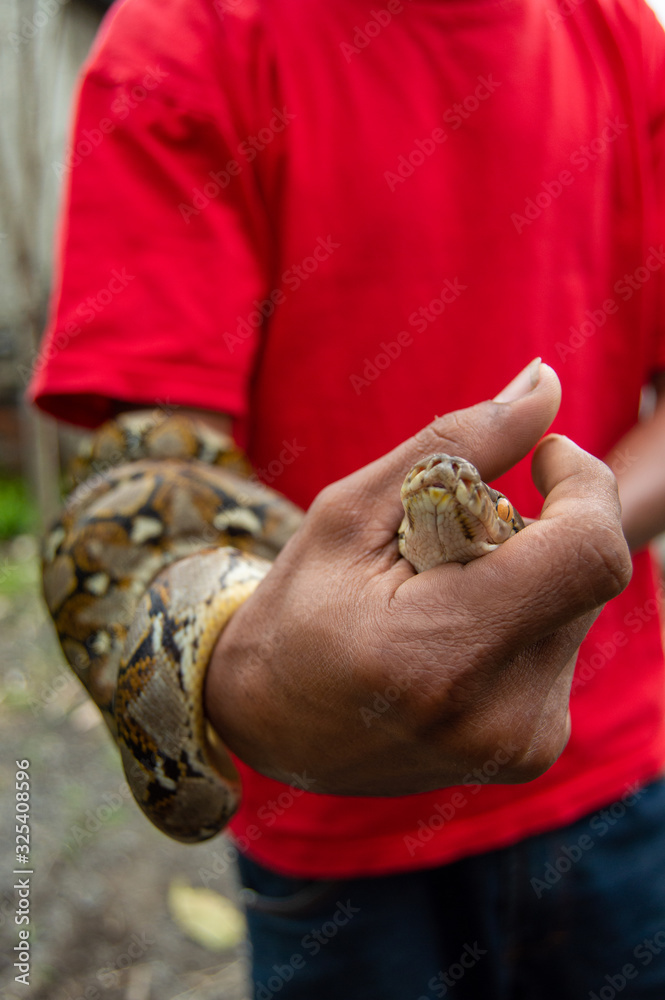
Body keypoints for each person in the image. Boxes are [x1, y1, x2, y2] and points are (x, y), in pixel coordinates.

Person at [28, 0, 665, 995]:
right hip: (323, 818)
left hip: (614, 765)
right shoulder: (182, 39)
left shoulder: (623, 36)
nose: (449, 490)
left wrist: (559, 548)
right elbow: (147, 475)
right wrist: (251, 675)